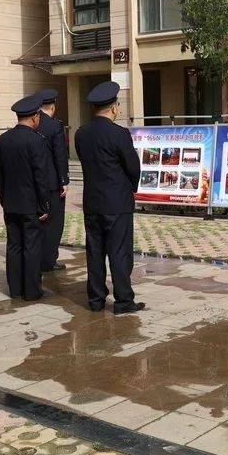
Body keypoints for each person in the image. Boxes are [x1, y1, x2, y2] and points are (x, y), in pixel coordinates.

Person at [74, 81, 144, 314]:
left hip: (93, 202)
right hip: (117, 203)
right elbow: (132, 166)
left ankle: (96, 300)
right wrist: (131, 187)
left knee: (95, 253)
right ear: (114, 107)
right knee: (119, 253)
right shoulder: (119, 134)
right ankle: (123, 301)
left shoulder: (81, 134)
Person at [0, 94, 52, 301]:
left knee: (14, 245)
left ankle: (15, 289)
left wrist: (4, 199)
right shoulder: (36, 141)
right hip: (31, 205)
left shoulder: (3, 140)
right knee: (32, 247)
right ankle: (32, 290)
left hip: (10, 203)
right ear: (35, 116)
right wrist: (44, 206)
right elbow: (40, 177)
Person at [37, 88, 70, 272]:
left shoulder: (32, 122)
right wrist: (64, 180)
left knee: (39, 221)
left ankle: (37, 257)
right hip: (52, 183)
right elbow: (60, 155)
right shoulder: (55, 126)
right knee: (54, 222)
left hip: (35, 182)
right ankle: (49, 259)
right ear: (53, 106)